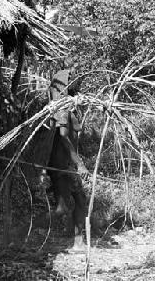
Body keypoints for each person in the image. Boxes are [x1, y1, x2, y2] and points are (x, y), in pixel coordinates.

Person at [36, 69, 89, 250]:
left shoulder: (69, 107)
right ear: (65, 83)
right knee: (69, 206)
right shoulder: (61, 110)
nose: (77, 82)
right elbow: (64, 137)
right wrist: (79, 164)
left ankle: (78, 242)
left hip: (66, 165)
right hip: (62, 165)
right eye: (73, 79)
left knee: (73, 203)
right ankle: (26, 229)